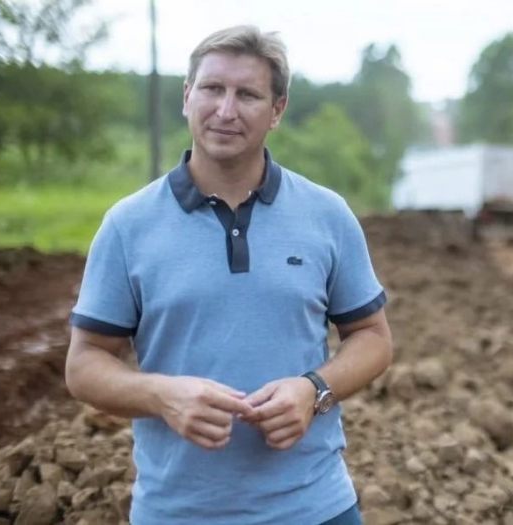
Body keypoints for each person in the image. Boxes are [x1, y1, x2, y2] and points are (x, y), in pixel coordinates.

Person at [65, 25, 393, 525]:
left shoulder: (327, 215)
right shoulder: (128, 225)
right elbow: (85, 362)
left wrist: (313, 390)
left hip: (316, 508)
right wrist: (164, 396)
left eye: (248, 94)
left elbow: (372, 338)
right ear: (187, 96)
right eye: (212, 89)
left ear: (277, 110)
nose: (225, 110)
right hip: (176, 513)